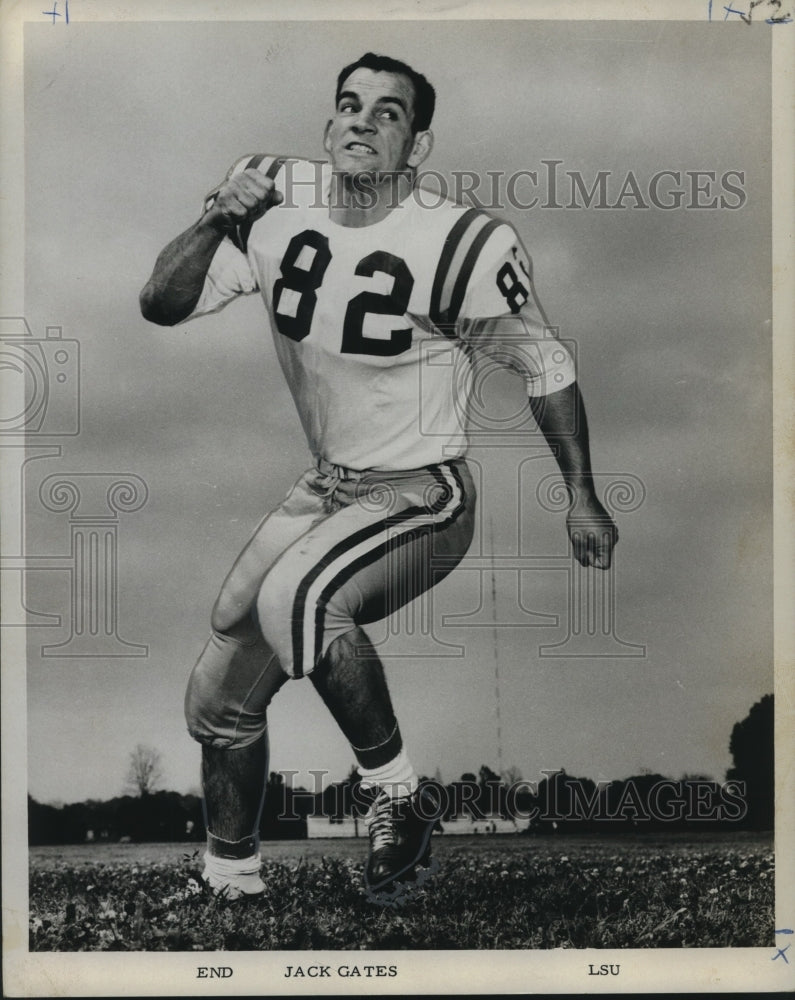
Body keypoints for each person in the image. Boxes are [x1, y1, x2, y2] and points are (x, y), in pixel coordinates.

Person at [139, 52, 617, 904]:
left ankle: (397, 797)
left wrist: (579, 493)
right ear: (328, 123)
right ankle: (230, 877)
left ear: (417, 143)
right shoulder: (270, 192)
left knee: (299, 601)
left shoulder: (462, 241)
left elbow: (544, 364)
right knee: (220, 688)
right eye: (348, 105)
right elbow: (160, 302)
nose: (361, 121)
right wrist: (217, 217)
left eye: (387, 112)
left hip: (422, 490)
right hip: (326, 488)